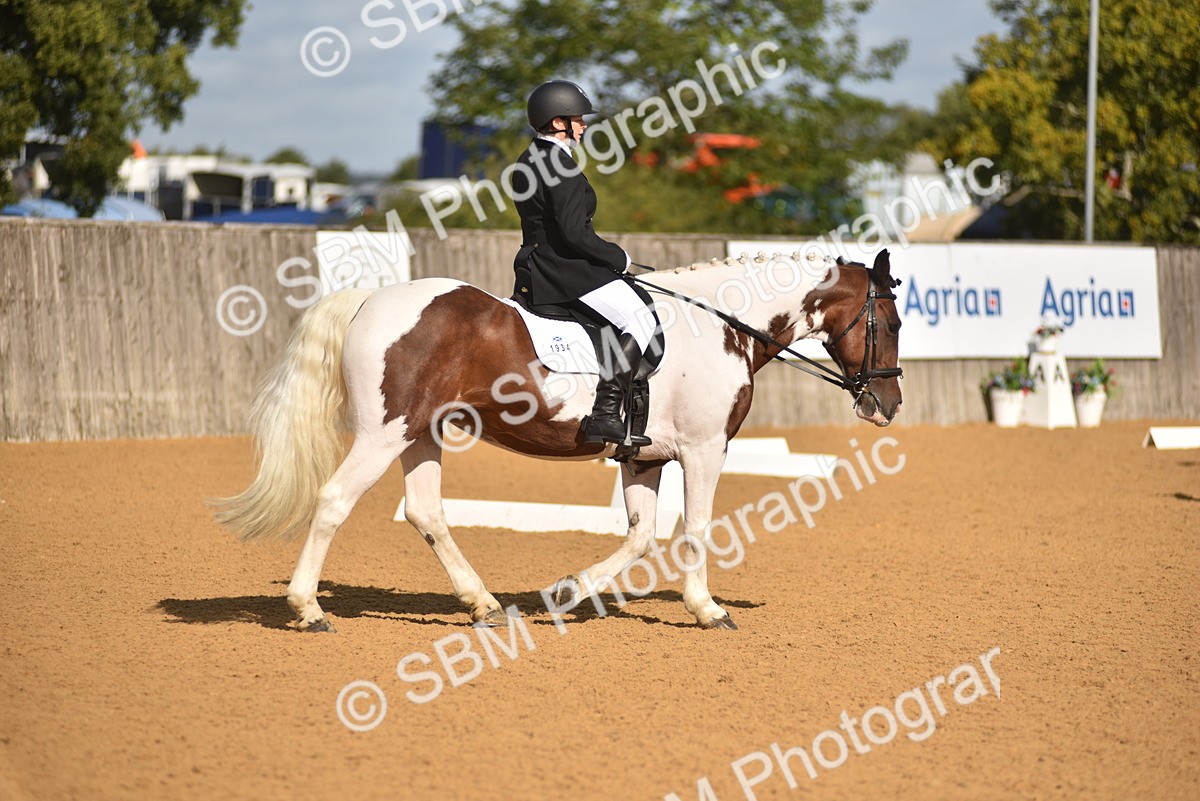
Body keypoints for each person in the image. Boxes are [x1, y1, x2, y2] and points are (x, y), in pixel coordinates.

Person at [510, 79, 656, 446]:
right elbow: (575, 233)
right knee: (640, 319)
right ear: (558, 122)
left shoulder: (528, 160)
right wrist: (618, 257)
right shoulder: (559, 164)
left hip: (536, 265)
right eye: (577, 118)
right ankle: (606, 413)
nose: (584, 124)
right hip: (565, 270)